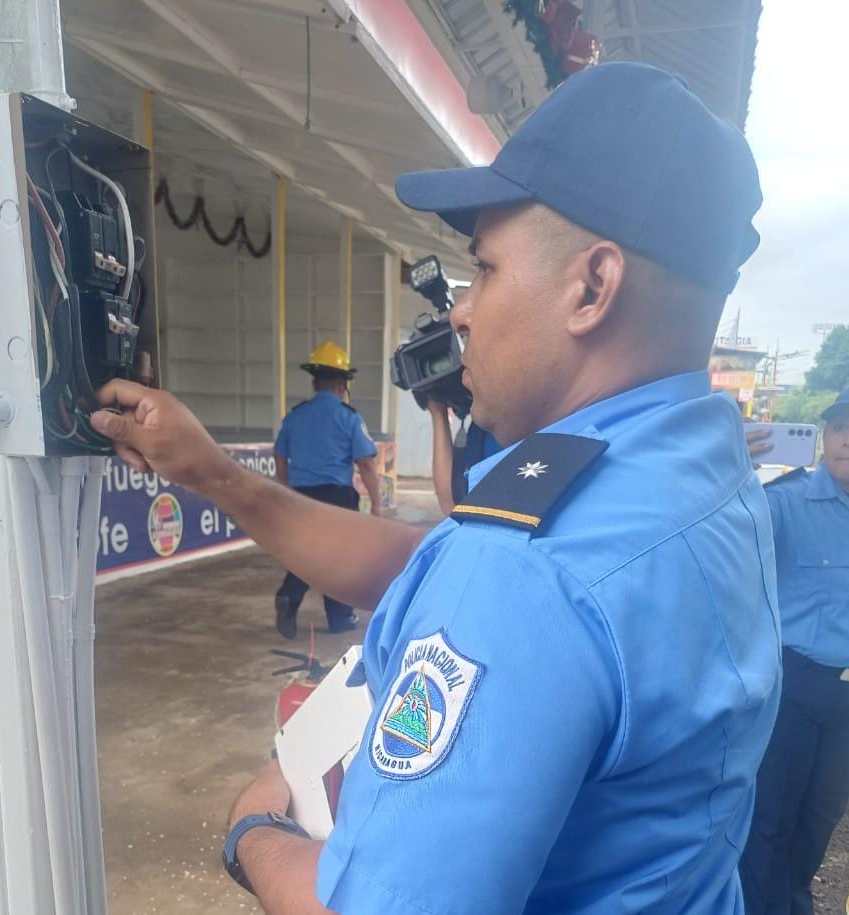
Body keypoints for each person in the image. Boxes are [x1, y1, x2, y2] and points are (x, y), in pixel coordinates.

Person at [90, 62, 781, 914]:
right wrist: (209, 472)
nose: (459, 312)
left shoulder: (527, 570)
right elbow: (432, 561)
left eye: (484, 270)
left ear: (592, 287)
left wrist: (253, 832)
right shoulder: (706, 477)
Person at [740, 379, 849, 915]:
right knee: (768, 825)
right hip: (791, 692)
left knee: (818, 825)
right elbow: (716, 541)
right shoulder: (783, 502)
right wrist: (728, 475)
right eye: (840, 426)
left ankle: (792, 902)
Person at [273, 341, 382, 638]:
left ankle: (289, 596)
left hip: (300, 496)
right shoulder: (348, 417)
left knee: (307, 552)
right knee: (338, 558)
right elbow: (367, 464)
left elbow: (280, 454)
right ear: (341, 383)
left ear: (314, 382)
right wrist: (376, 504)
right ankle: (339, 618)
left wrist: (285, 488)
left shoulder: (295, 416)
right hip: (335, 497)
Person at [426, 401, 500, 513]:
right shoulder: (480, 431)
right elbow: (452, 504)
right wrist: (437, 409)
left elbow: (451, 506)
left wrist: (437, 411)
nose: (466, 382)